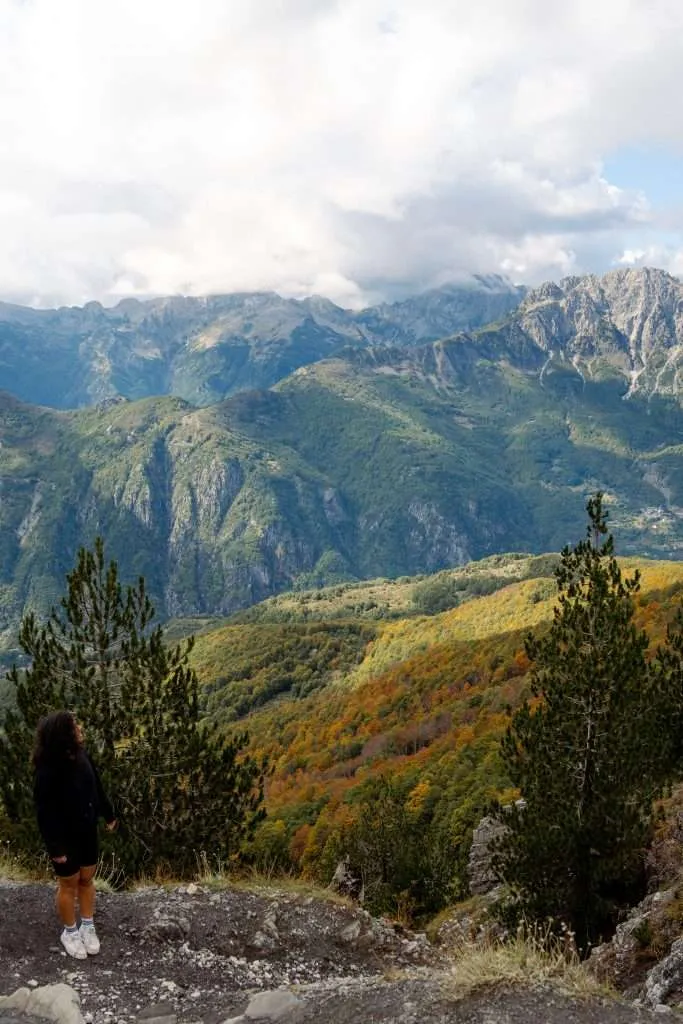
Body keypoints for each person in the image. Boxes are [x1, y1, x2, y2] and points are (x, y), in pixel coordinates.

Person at [33, 710, 117, 959]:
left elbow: (96, 786)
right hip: (63, 837)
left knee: (87, 879)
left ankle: (88, 926)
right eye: (74, 726)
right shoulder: (46, 770)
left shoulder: (82, 756)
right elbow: (43, 813)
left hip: (87, 830)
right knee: (68, 884)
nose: (79, 728)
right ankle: (69, 931)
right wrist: (54, 848)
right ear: (63, 735)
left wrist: (109, 813)